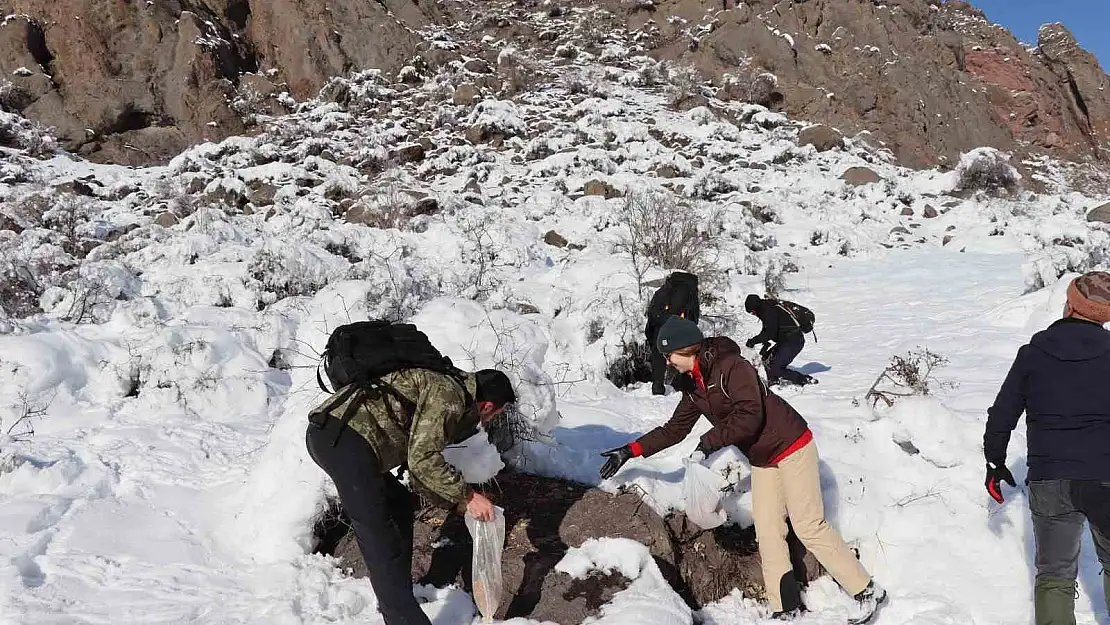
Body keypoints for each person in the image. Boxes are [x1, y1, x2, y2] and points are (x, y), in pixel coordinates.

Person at [599, 316, 885, 622]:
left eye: (669, 355)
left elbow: (751, 414)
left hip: (792, 445)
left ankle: (866, 589)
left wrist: (707, 442)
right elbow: (673, 430)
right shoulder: (695, 386)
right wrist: (630, 451)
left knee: (808, 525)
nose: (667, 362)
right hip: (763, 458)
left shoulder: (731, 367)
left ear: (685, 349)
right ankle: (785, 607)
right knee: (768, 531)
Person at [307, 367, 517, 625]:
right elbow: (423, 461)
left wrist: (458, 503)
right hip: (344, 442)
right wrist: (469, 497)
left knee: (400, 505)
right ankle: (400, 610)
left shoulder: (454, 391)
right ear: (486, 406)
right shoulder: (449, 396)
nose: (494, 419)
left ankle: (399, 594)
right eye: (498, 412)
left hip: (343, 438)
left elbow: (420, 471)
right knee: (379, 539)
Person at [984, 271, 1110, 625]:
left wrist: (995, 461)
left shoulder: (1034, 353)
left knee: (1054, 574)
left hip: (1050, 478)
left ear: (1069, 304)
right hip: (1105, 476)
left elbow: (1002, 415)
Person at [645, 272, 701, 395]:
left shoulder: (665, 290)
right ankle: (683, 386)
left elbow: (652, 312)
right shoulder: (691, 293)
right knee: (684, 356)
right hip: (682, 332)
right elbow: (695, 318)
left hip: (661, 329)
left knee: (658, 356)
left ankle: (658, 387)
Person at [744, 294, 814, 387]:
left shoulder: (768, 311)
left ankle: (803, 379)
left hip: (793, 341)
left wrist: (754, 341)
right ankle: (773, 381)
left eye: (752, 312)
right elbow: (768, 329)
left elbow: (769, 332)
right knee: (766, 361)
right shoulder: (767, 308)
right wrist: (762, 340)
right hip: (785, 341)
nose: (754, 314)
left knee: (775, 369)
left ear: (755, 307)